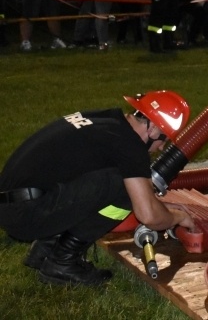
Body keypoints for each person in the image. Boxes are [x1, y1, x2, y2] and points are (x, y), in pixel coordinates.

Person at [0, 91, 195, 287]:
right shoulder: (130, 146)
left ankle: (47, 248)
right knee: (123, 188)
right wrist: (178, 217)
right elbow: (148, 216)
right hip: (25, 216)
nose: (161, 148)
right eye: (164, 140)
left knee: (113, 182)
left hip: (14, 205)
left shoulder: (107, 121)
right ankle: (62, 261)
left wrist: (163, 207)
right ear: (153, 128)